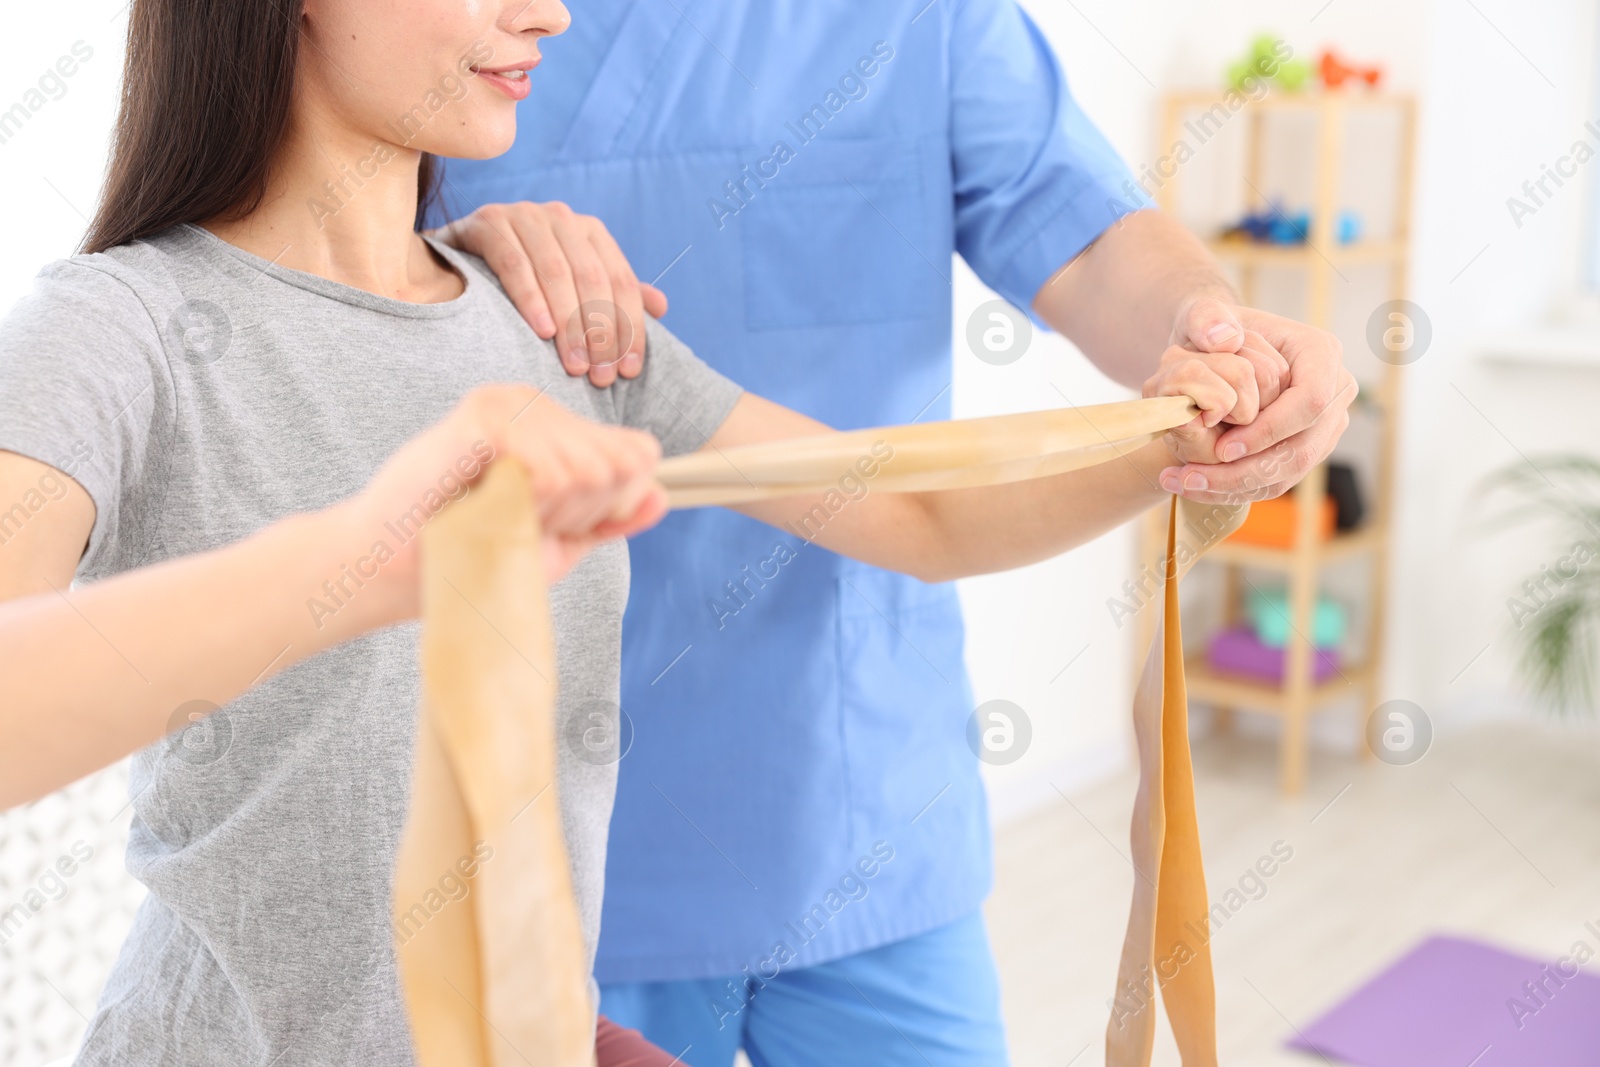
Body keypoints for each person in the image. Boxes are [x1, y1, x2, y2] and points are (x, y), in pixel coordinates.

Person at [0, 0, 1305, 1064]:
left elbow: (912, 506)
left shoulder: (550, 318)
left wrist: (1183, 441)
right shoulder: (116, 330)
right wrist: (366, 556)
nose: (546, 13)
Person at [433, 2, 1356, 1063]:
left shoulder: (923, 20)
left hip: (863, 808)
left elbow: (1090, 239)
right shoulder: (476, 26)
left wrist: (1218, 346)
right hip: (561, 839)